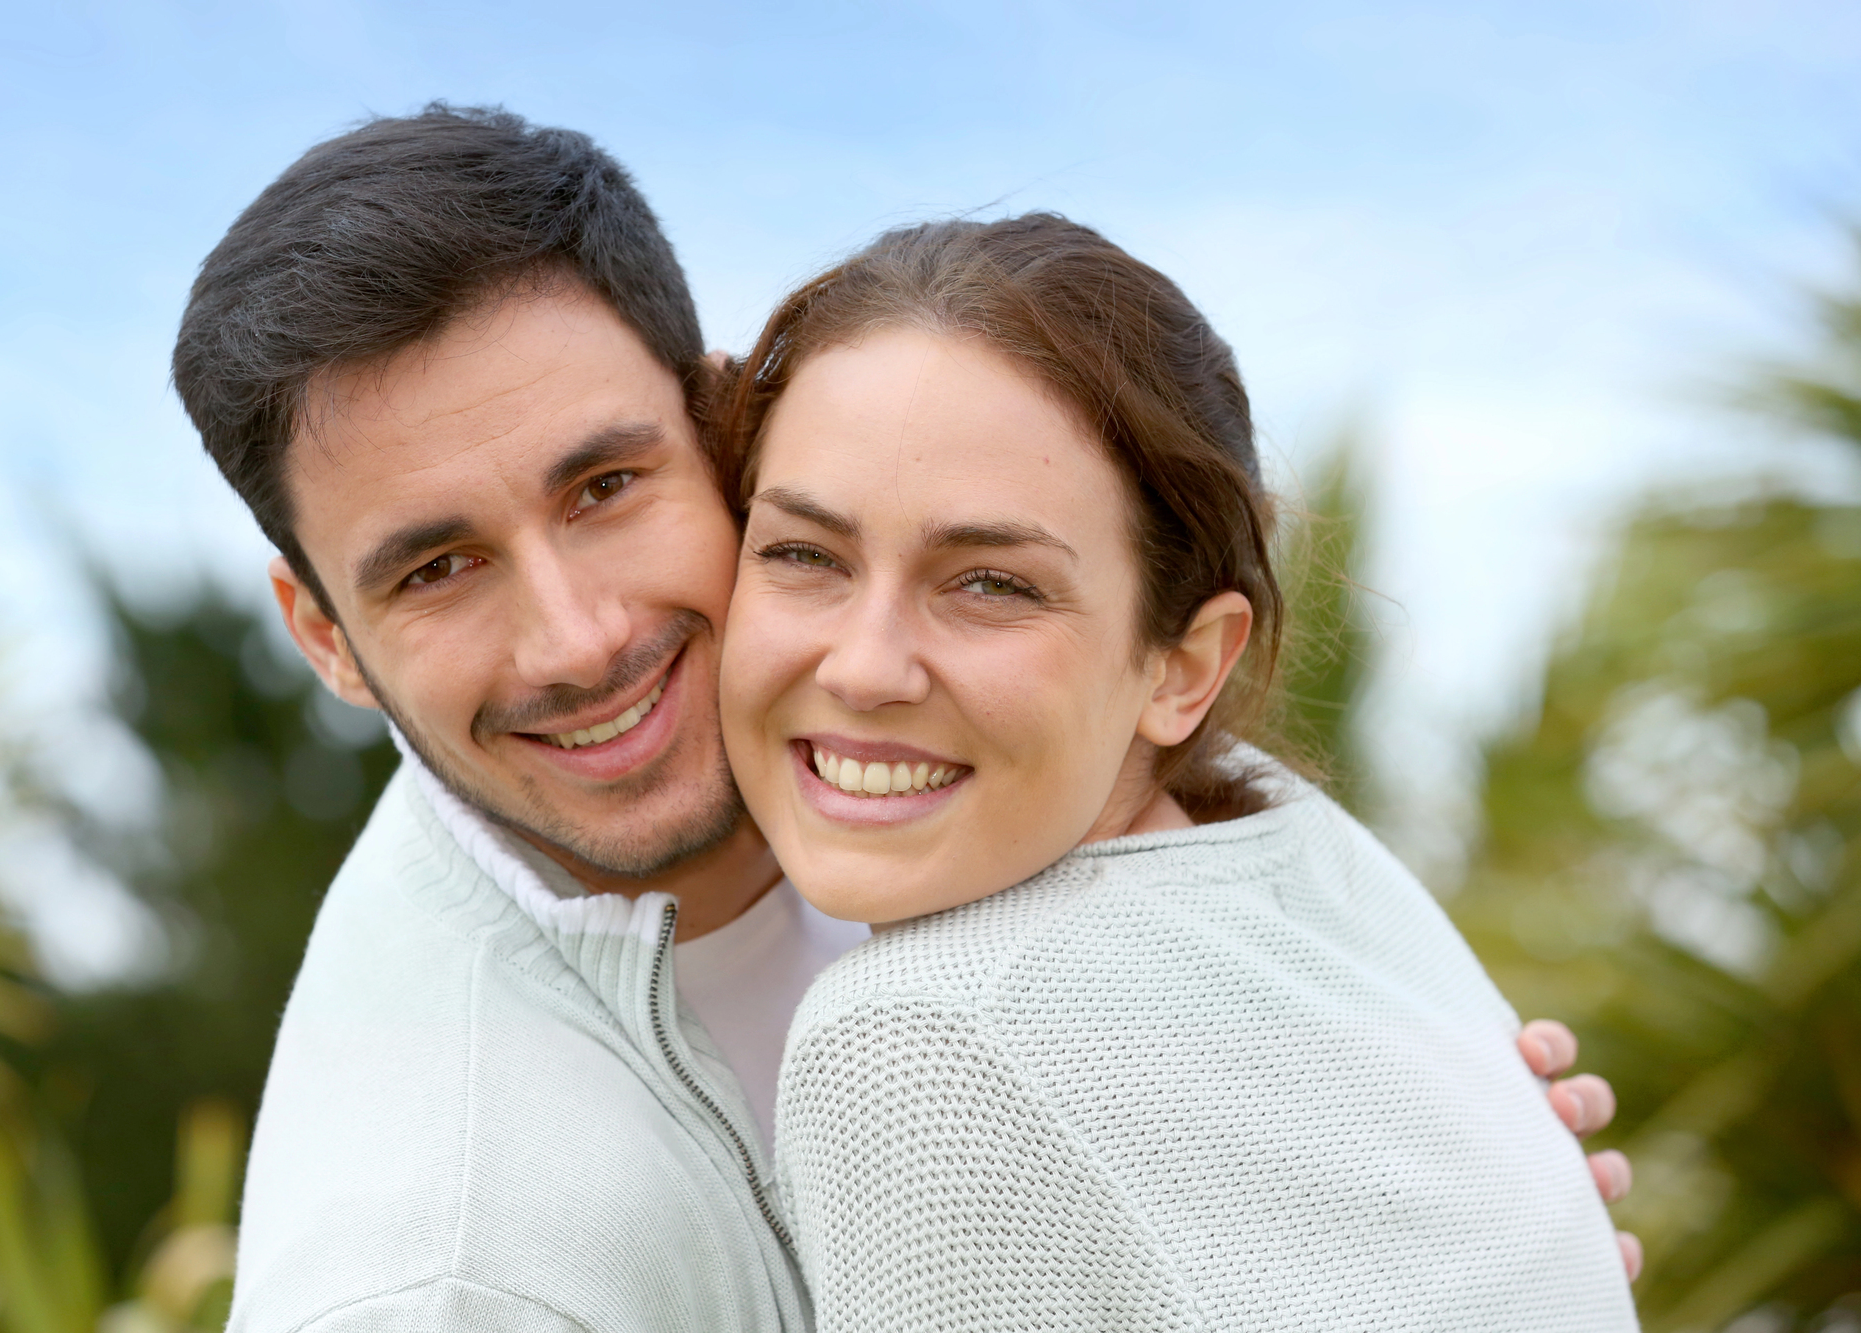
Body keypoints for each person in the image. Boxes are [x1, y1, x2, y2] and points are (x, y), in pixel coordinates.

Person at [171, 104, 1635, 1332]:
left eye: (606, 488)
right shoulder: (438, 1275)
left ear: (719, 423)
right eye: (437, 570)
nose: (580, 639)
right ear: (327, 638)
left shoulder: (1065, 770)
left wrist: (1464, 1230)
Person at [717, 213, 1638, 1331]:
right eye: (802, 553)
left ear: (1184, 666)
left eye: (991, 584)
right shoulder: (1284, 837)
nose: (862, 668)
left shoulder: (910, 1041)